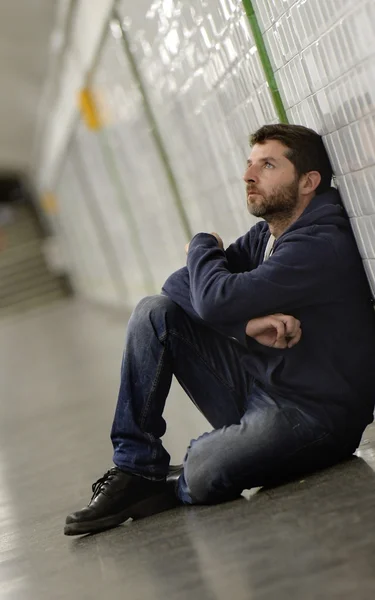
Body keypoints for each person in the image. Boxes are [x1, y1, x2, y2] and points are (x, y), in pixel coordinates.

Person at [64, 124, 375, 536]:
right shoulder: (269, 233)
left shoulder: (319, 243)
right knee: (154, 313)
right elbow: (179, 286)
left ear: (307, 182)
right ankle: (135, 467)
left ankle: (170, 481)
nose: (249, 176)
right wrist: (246, 326)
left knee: (205, 472)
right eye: (250, 165)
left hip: (314, 416)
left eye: (267, 165)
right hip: (259, 382)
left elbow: (212, 298)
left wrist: (200, 244)